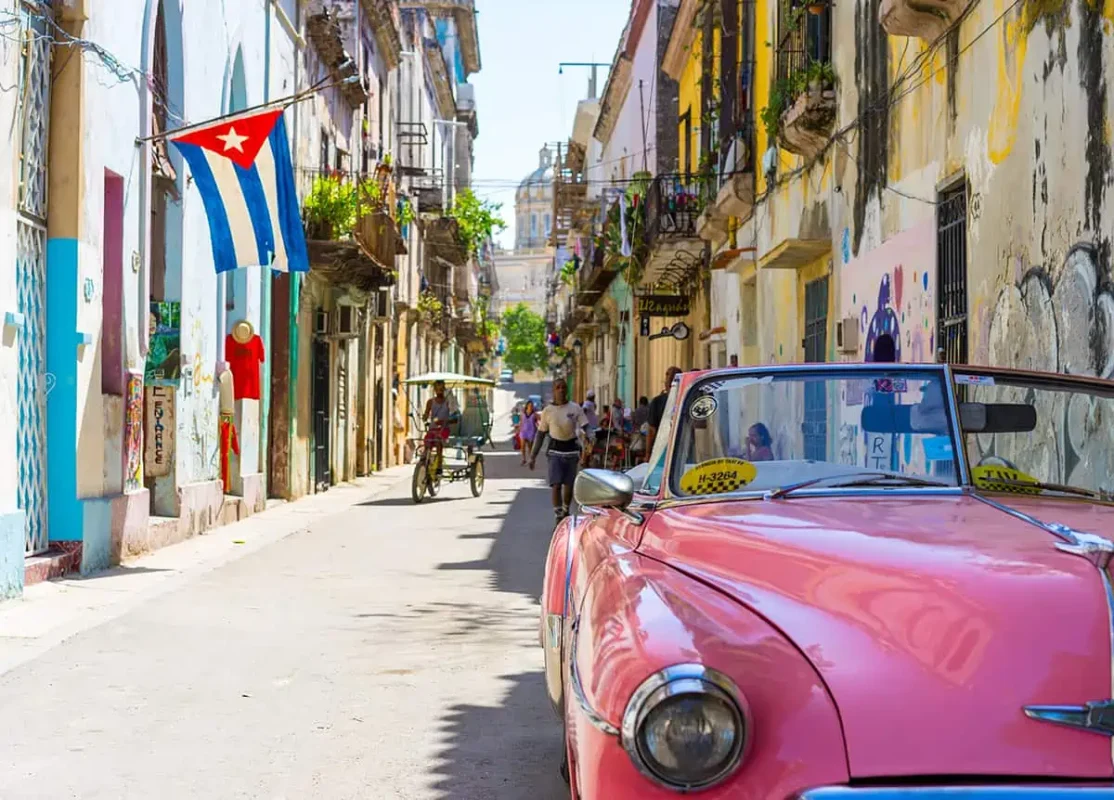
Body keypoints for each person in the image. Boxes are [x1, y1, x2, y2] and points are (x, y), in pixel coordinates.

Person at [529, 378, 589, 521]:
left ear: (566, 390)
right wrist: (533, 456)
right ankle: (558, 515)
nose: (561, 390)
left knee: (568, 484)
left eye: (563, 387)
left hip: (571, 450)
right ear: (554, 391)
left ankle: (565, 510)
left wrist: (591, 436)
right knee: (556, 484)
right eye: (558, 388)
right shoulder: (548, 411)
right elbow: (541, 434)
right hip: (555, 451)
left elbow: (585, 426)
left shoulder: (575, 408)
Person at [422, 380, 459, 476]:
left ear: (444, 389)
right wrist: (424, 417)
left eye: (441, 389)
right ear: (434, 390)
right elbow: (426, 414)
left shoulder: (448, 402)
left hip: (444, 429)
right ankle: (424, 462)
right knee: (427, 442)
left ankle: (439, 466)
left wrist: (445, 421)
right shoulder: (430, 402)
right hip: (433, 429)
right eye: (437, 389)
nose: (439, 391)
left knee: (438, 442)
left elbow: (455, 418)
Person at [645, 367, 681, 462]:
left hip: (678, 448)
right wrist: (648, 453)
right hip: (665, 448)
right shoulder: (657, 402)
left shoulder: (657, 401)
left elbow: (651, 431)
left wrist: (648, 454)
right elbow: (651, 430)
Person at [519, 400, 538, 465]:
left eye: (532, 406)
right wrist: (518, 429)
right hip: (523, 432)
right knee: (522, 446)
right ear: (527, 406)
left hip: (531, 432)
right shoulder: (523, 413)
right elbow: (521, 422)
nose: (531, 407)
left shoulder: (534, 414)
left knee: (530, 447)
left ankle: (531, 459)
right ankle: (524, 459)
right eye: (529, 405)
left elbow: (540, 420)